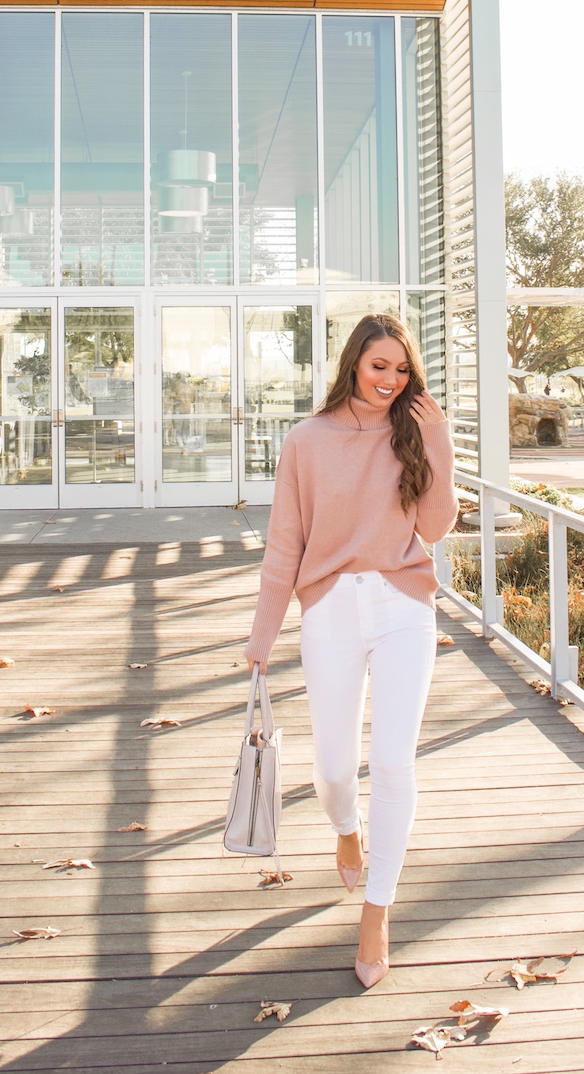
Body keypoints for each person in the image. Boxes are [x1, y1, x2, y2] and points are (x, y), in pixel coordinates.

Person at [244, 313, 458, 988]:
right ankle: (345, 827)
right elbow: (285, 545)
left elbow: (435, 526)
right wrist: (260, 636)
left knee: (393, 763)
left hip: (404, 606)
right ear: (352, 364)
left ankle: (378, 911)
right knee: (335, 771)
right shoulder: (306, 441)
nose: (390, 382)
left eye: (402, 370)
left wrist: (440, 444)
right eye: (378, 368)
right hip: (330, 609)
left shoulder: (411, 432)